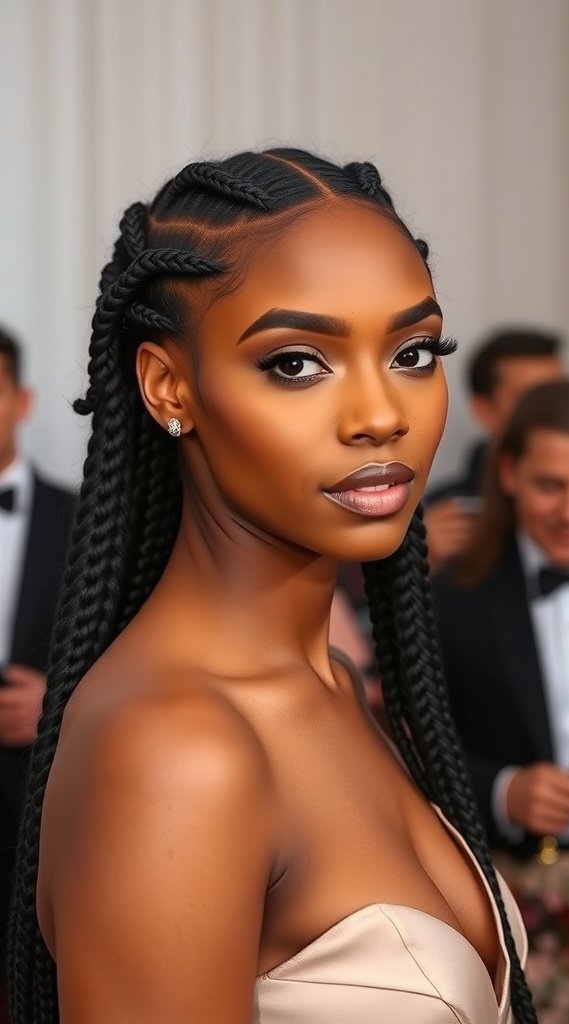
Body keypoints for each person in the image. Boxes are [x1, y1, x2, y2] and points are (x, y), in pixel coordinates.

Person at [8, 150, 534, 1024]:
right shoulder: (175, 752)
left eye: (412, 351)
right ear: (168, 386)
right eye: (297, 363)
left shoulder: (328, 679)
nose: (380, 414)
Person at [434, 379, 569, 856]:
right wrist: (503, 793)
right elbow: (412, 758)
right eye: (550, 486)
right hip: (506, 880)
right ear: (510, 473)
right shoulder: (453, 598)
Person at [0, 328, 74, 982]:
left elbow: (130, 655)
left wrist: (57, 706)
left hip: (49, 806)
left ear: (21, 401)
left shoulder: (87, 523)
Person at [425, 328, 564, 572]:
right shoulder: (446, 513)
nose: (551, 413)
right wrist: (420, 561)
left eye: (559, 396)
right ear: (484, 410)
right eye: (530, 399)